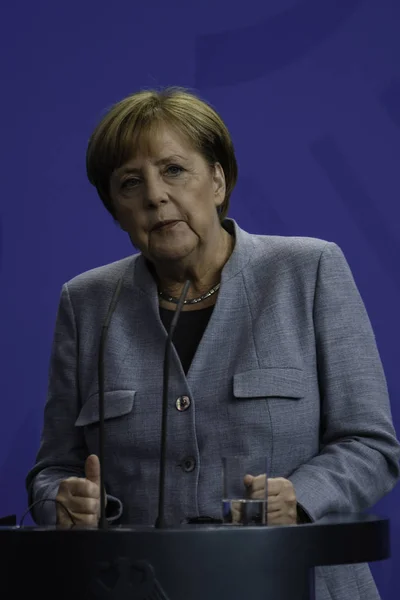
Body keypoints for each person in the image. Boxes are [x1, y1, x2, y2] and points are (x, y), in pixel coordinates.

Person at [26, 86, 400, 599]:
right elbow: (54, 469)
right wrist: (63, 500)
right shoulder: (86, 303)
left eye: (174, 170)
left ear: (218, 180)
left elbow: (371, 446)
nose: (155, 195)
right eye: (130, 183)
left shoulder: (309, 271)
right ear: (116, 209)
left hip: (294, 584)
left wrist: (302, 498)